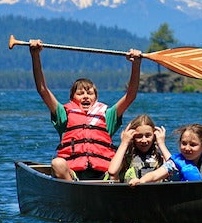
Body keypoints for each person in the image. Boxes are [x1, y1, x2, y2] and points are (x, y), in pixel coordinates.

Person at [29, 39, 142, 181]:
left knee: (122, 162)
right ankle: (74, 193)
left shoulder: (108, 115)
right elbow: (43, 90)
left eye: (90, 93)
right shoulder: (63, 114)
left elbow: (130, 95)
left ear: (96, 97)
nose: (86, 97)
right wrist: (35, 55)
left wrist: (136, 64)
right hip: (72, 176)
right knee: (57, 163)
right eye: (80, 93)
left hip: (105, 174)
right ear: (72, 98)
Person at [129, 123, 202, 185]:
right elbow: (155, 175)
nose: (187, 148)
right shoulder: (174, 163)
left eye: (193, 145)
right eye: (183, 143)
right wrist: (141, 181)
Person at [107, 114, 172, 183]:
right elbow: (112, 171)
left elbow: (176, 168)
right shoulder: (125, 158)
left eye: (148, 136)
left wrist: (161, 144)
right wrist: (124, 142)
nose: (144, 140)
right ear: (132, 137)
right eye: (139, 136)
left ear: (154, 136)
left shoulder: (161, 159)